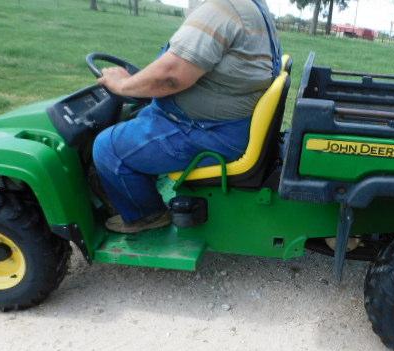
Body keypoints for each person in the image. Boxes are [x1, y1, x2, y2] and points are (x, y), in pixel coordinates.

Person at [92, 0, 282, 234]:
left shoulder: (223, 8)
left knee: (107, 147)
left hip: (209, 133)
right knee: (136, 119)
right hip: (225, 124)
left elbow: (171, 76)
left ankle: (147, 215)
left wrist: (122, 84)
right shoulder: (252, 6)